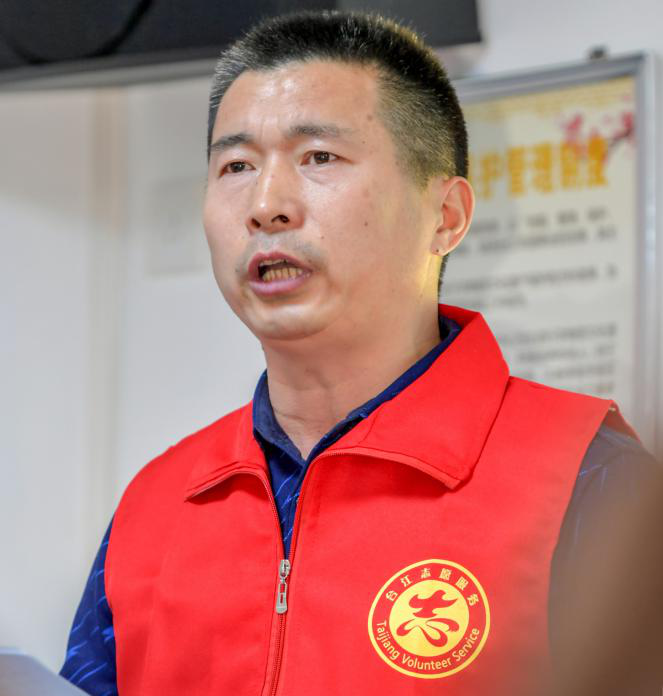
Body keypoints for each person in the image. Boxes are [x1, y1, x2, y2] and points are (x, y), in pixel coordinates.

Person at [60, 10, 662, 696]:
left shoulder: (589, 477)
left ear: (446, 217)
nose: (265, 204)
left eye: (319, 157)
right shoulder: (156, 505)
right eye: (236, 165)